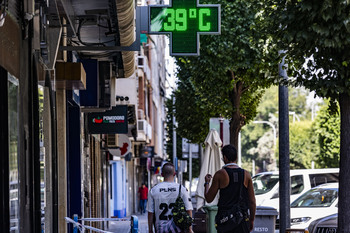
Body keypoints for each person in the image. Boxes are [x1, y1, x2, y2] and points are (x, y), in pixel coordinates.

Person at [204, 145, 256, 233]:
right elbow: (252, 201)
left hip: (225, 221)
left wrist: (207, 183)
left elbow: (209, 198)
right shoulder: (246, 174)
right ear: (236, 157)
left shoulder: (220, 174)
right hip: (242, 220)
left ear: (225, 157)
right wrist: (251, 220)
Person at [147, 162, 193, 233]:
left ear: (162, 174)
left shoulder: (153, 190)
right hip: (178, 229)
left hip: (160, 229)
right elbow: (189, 210)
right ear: (174, 174)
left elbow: (150, 212)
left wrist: (150, 230)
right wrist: (190, 229)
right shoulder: (182, 189)